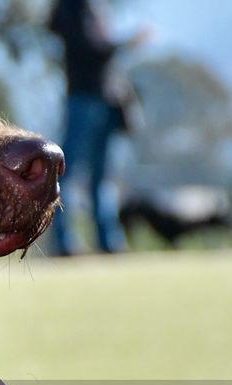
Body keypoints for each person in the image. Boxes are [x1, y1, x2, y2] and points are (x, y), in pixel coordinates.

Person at [49, 0, 149, 255]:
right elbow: (87, 47)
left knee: (102, 176)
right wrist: (126, 43)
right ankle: (65, 241)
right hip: (85, 98)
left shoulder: (92, 6)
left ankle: (107, 240)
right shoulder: (73, 5)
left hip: (105, 99)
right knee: (68, 172)